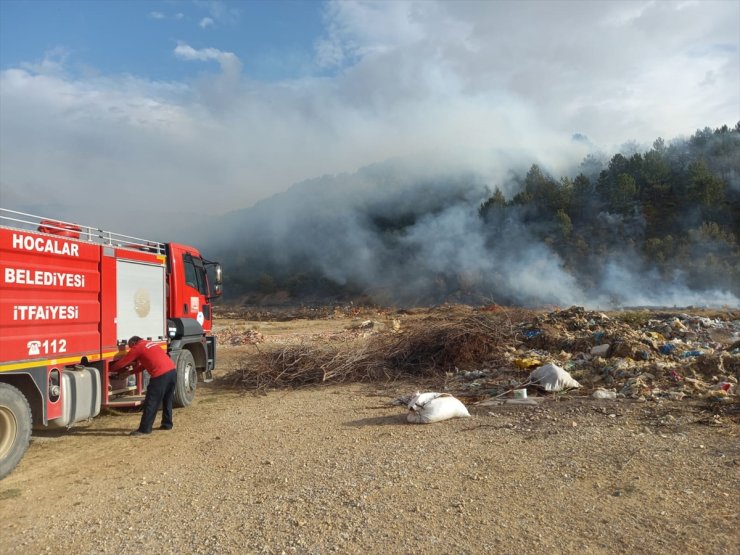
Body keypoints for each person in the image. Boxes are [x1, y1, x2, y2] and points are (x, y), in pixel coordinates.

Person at [110, 336, 178, 436]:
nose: (130, 349)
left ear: (133, 343)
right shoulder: (150, 343)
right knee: (167, 399)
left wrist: (110, 368)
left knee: (151, 402)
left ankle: (145, 429)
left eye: (130, 347)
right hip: (172, 372)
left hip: (160, 376)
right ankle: (167, 424)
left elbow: (123, 362)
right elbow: (144, 365)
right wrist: (130, 372)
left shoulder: (138, 347)